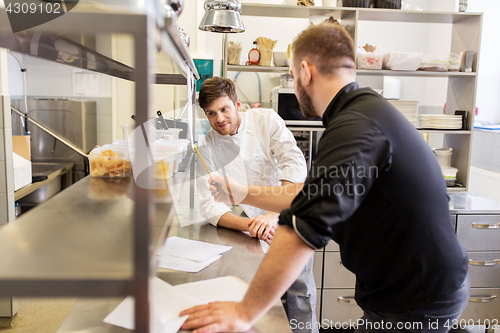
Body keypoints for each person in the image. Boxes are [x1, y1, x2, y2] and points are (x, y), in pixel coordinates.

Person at [180, 21, 470, 333]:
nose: (294, 85)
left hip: (414, 297)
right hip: (413, 287)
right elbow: (310, 195)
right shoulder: (363, 112)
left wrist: (244, 311)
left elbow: (305, 224)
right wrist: (241, 193)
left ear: (305, 72)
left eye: (291, 76)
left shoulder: (355, 126)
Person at [195, 76, 318, 333]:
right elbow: (210, 206)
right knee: (260, 301)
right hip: (251, 232)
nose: (219, 119)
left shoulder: (266, 120)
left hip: (289, 219)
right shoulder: (206, 146)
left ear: (238, 104)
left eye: (224, 109)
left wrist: (274, 215)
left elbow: (294, 165)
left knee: (300, 296)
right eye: (211, 113)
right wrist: (251, 226)